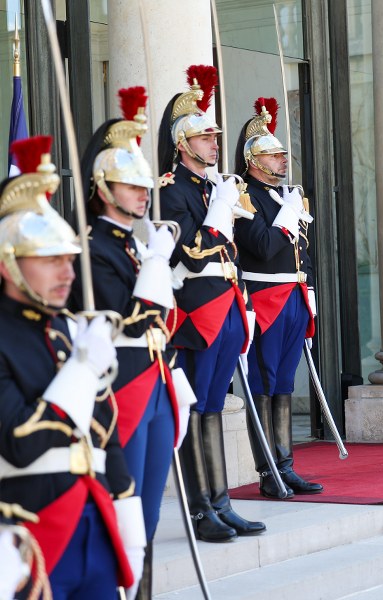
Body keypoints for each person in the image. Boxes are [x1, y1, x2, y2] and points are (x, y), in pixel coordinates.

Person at [0, 136, 144, 597]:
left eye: (68, 259)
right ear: (10, 264)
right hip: (31, 531)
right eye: (50, 260)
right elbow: (19, 440)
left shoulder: (67, 330)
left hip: (94, 523)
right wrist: (82, 372)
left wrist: (127, 513)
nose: (67, 273)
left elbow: (106, 431)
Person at [72, 86, 193, 596]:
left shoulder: (137, 242)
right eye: (130, 185)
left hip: (157, 377)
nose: (144, 194)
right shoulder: (91, 248)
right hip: (123, 383)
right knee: (126, 506)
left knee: (146, 511)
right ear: (103, 187)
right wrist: (156, 264)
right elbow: (127, 318)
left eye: (145, 185)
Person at [158, 65, 265, 541]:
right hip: (194, 312)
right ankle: (200, 508)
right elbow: (192, 248)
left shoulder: (211, 186)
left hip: (225, 305)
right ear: (183, 144)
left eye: (215, 136)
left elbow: (231, 252)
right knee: (196, 407)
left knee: (216, 406)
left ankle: (222, 502)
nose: (214, 143)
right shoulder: (171, 189)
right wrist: (222, 209)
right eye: (205, 137)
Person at [233, 97, 322, 498]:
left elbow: (301, 252)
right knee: (264, 384)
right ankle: (268, 471)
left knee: (284, 383)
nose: (283, 160)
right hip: (264, 298)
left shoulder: (284, 195)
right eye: (273, 155)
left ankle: (285, 465)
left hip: (292, 295)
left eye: (283, 154)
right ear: (254, 160)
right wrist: (287, 216)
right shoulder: (244, 196)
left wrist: (310, 291)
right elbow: (264, 246)